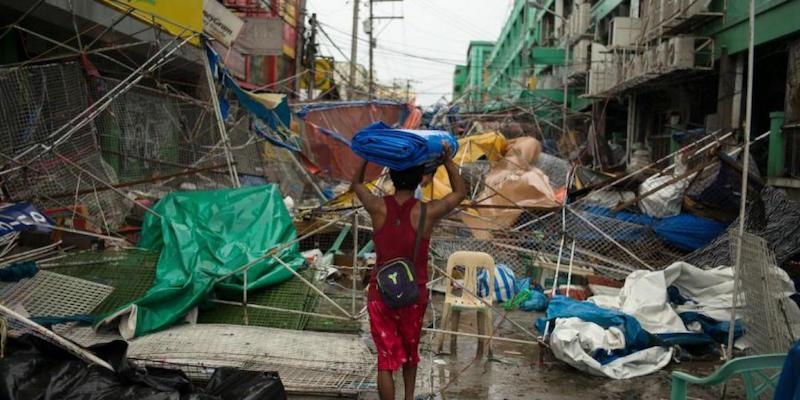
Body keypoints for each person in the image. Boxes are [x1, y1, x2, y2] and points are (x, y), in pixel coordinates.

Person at [351, 144, 466, 400]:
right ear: (418, 180)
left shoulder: (377, 206)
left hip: (380, 295)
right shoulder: (427, 212)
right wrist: (447, 161)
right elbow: (460, 192)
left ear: (391, 177)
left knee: (386, 360)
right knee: (410, 354)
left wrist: (366, 157)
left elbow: (356, 184)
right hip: (414, 296)